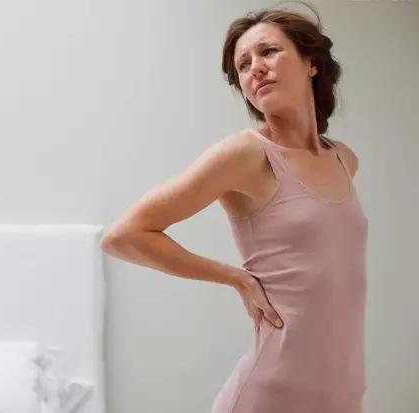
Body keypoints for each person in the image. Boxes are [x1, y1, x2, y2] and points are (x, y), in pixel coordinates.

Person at [100, 4, 368, 413]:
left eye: (268, 52)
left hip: (343, 395)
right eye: (243, 65)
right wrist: (235, 278)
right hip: (270, 394)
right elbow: (123, 236)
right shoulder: (247, 154)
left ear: (311, 63)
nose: (255, 68)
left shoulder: (344, 159)